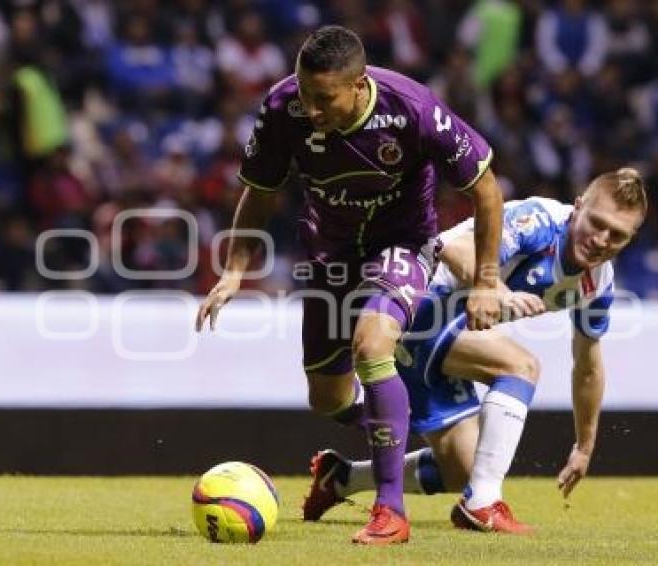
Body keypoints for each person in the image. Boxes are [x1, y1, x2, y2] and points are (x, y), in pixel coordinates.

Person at [195, 25, 506, 544]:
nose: (311, 110)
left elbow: (487, 190)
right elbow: (260, 192)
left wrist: (487, 282)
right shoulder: (283, 106)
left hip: (403, 246)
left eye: (324, 99)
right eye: (304, 92)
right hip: (329, 257)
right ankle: (375, 445)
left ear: (359, 86)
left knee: (372, 345)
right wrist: (233, 270)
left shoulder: (414, 110)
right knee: (327, 397)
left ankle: (390, 512)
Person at [303, 168, 648, 534]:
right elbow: (455, 249)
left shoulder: (598, 283)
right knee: (521, 367)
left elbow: (589, 366)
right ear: (578, 207)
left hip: (449, 325)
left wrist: (584, 445)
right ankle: (483, 503)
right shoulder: (540, 221)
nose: (601, 239)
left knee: (461, 468)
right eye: (597, 223)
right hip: (415, 299)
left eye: (618, 235)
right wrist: (495, 288)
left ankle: (339, 478)